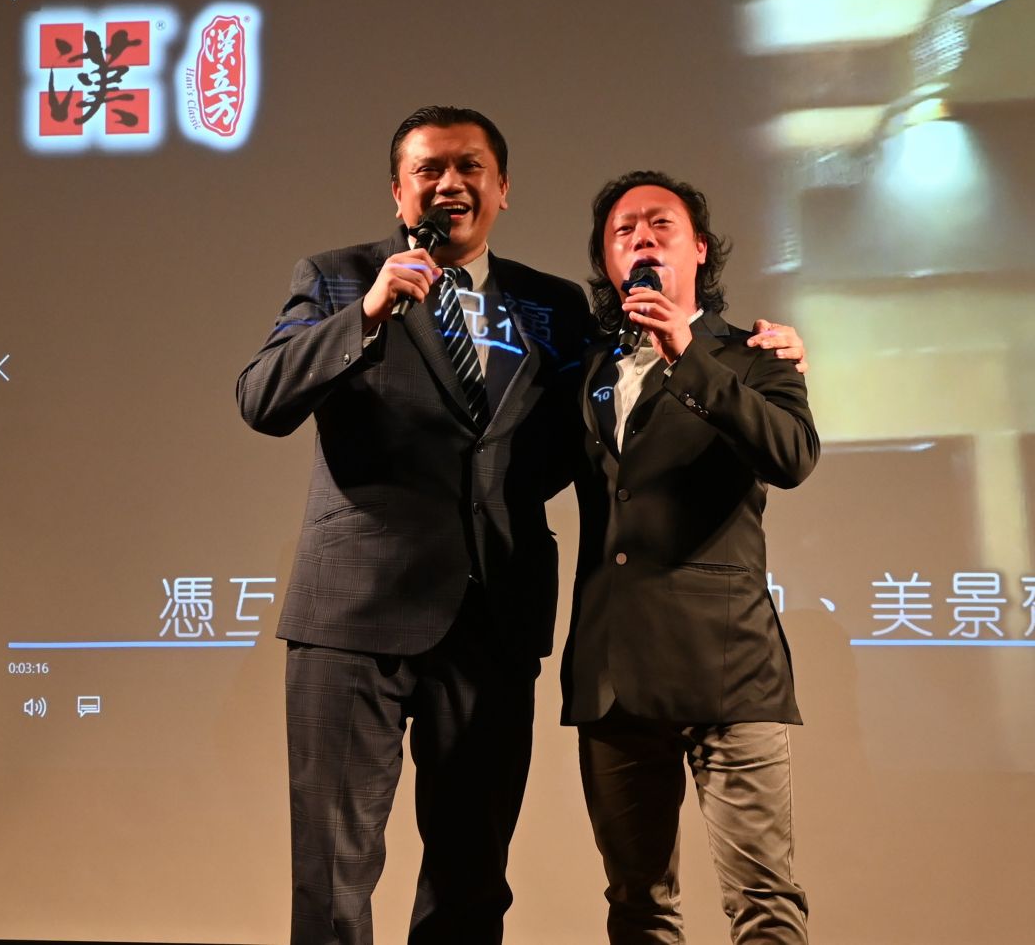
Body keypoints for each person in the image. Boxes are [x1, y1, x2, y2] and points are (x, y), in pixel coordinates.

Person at [236, 109, 807, 945]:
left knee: (472, 877)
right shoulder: (337, 278)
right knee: (332, 876)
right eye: (429, 169)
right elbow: (262, 398)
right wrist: (366, 314)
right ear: (398, 191)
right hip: (355, 616)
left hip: (493, 621)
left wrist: (748, 349)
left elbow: (611, 418)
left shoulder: (550, 305)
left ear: (502, 189)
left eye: (470, 167)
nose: (450, 184)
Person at [562, 170, 819, 944]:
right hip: (612, 675)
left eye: (660, 224)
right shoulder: (588, 373)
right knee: (638, 908)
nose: (641, 238)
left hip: (728, 669)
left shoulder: (756, 356)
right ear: (608, 263)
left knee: (764, 904)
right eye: (623, 231)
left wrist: (686, 353)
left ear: (699, 250)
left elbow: (792, 457)